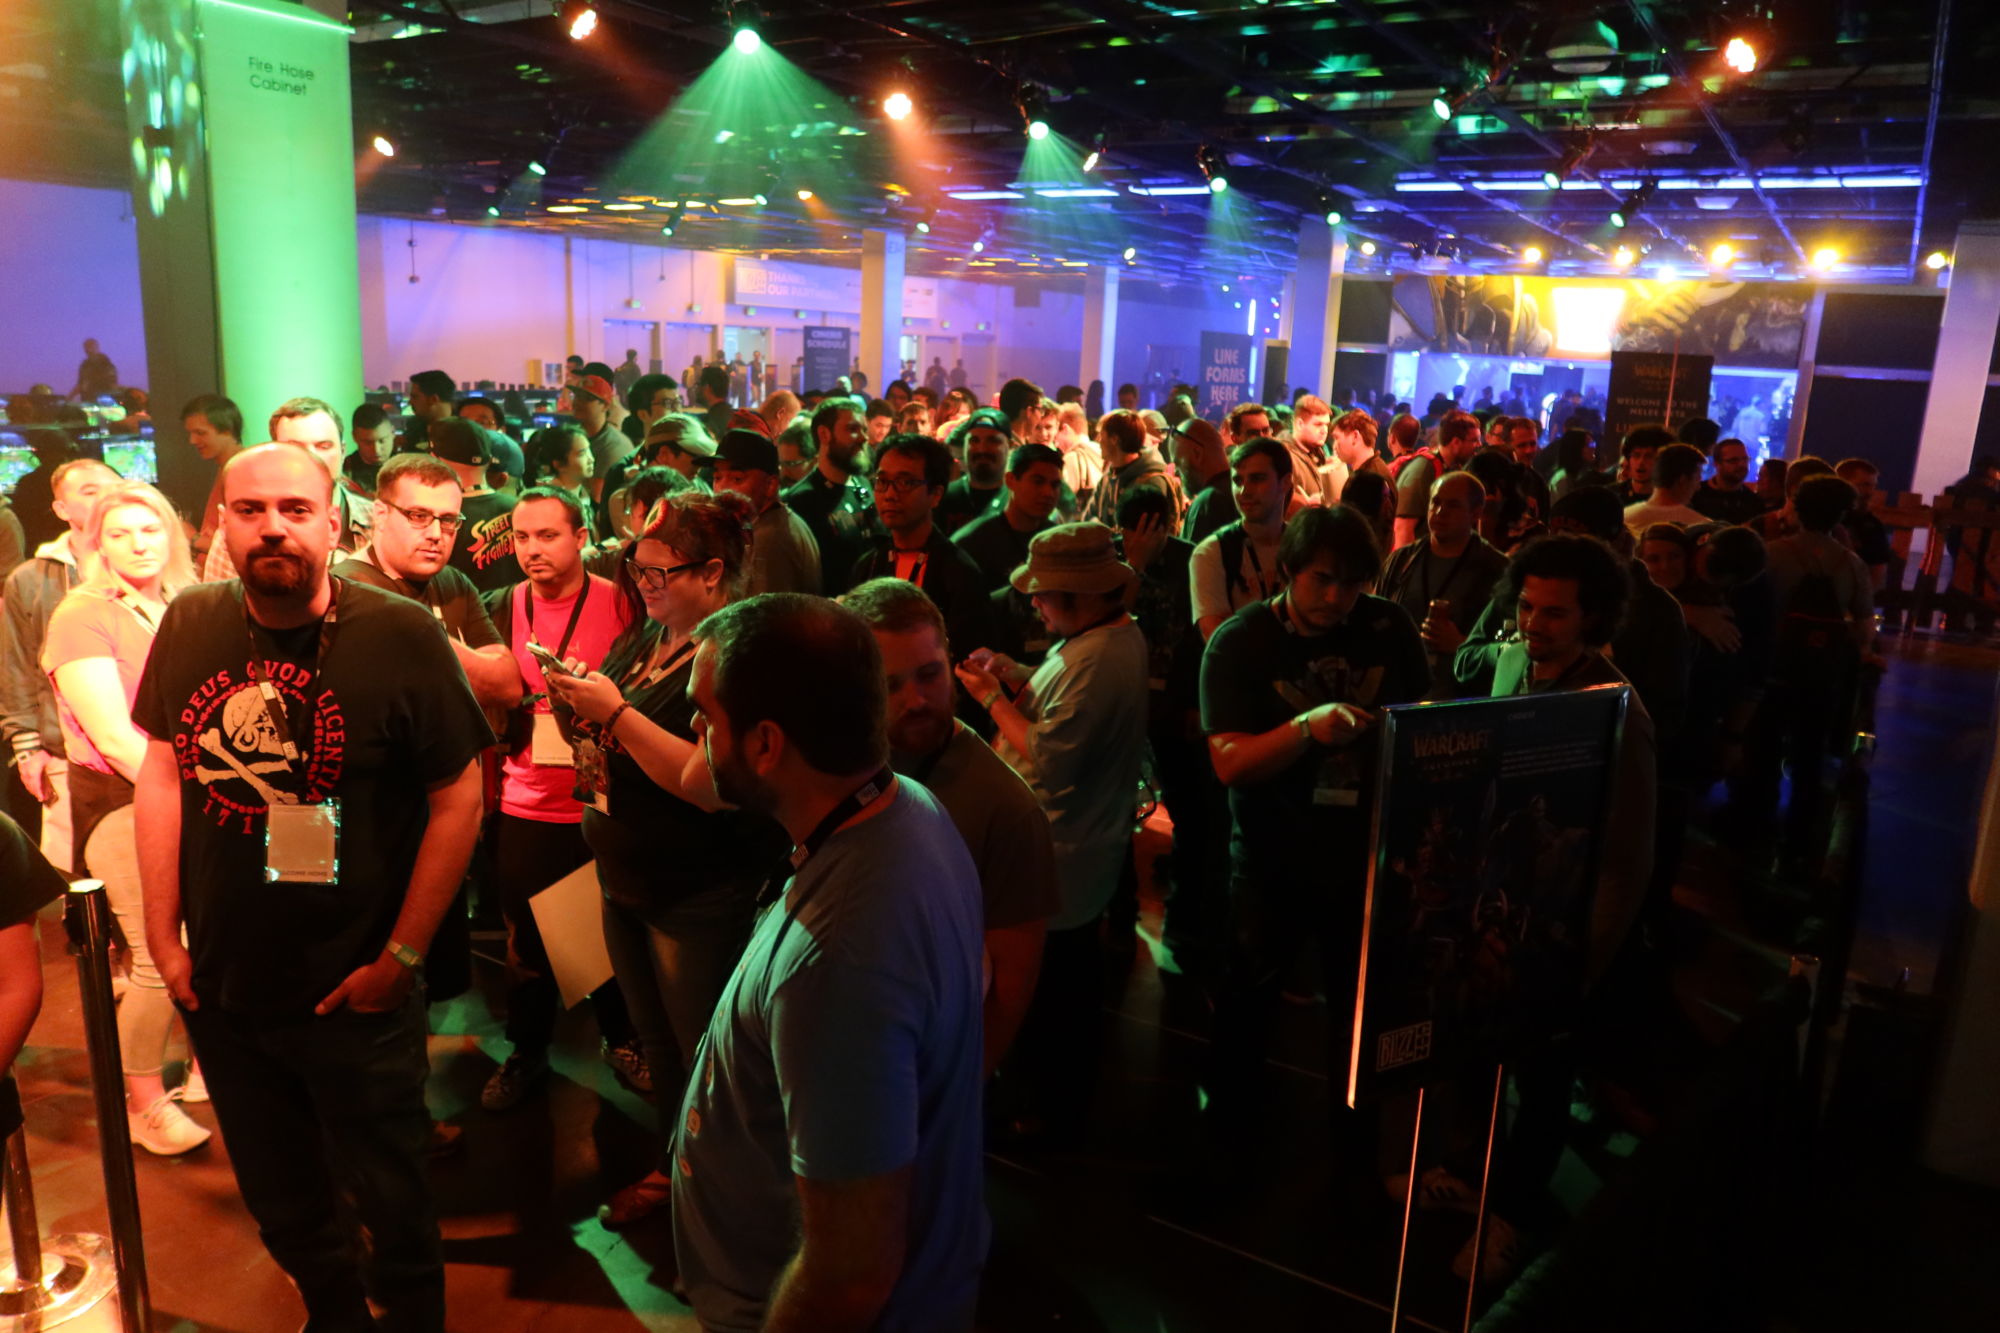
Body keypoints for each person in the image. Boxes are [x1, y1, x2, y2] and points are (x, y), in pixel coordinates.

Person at [132, 444, 490, 1333]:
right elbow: (164, 772)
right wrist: (164, 939)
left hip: (356, 990)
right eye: (250, 509)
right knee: (284, 1202)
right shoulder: (192, 620)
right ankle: (334, 1317)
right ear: (220, 522)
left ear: (336, 523)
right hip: (227, 987)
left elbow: (459, 796)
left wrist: (401, 956)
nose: (273, 528)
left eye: (295, 509)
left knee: (394, 1207)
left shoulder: (401, 633)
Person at [664, 593, 985, 1330]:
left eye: (705, 715)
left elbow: (850, 1274)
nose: (695, 732)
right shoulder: (906, 804)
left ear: (766, 744)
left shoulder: (836, 960)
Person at [537, 492, 790, 1228]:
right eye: (636, 568)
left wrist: (615, 711)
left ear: (712, 572)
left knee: (708, 1053)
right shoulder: (649, 636)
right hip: (627, 880)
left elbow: (709, 786)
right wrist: (577, 702)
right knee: (660, 1046)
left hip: (694, 890)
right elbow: (610, 744)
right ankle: (677, 1170)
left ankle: (721, 1203)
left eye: (660, 572)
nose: (643, 583)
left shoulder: (736, 653)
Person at [1199, 506, 1429, 1150]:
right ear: (1289, 570)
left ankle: (1353, 1140)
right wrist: (1306, 727)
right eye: (1323, 579)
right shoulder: (1241, 640)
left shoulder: (1388, 625)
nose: (1336, 599)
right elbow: (1229, 763)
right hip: (1273, 854)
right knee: (1248, 1002)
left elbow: (1423, 721)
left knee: (1358, 1010)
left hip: (1365, 854)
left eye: (1352, 583)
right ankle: (1228, 1133)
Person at [1467, 532, 1657, 1282]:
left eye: (1554, 613)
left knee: (1544, 1080)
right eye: (1526, 607)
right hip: (1501, 910)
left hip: (1563, 932)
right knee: (1493, 1060)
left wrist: (1584, 962)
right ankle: (1482, 1181)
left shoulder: (1617, 709)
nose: (1533, 625)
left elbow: (1628, 860)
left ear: (1593, 617)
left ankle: (1512, 1217)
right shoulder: (1515, 663)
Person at [955, 524, 1149, 1143]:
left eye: (1043, 592)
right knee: (1065, 983)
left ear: (1081, 593)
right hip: (1074, 849)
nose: (1034, 602)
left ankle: (1048, 1111)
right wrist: (1017, 672)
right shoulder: (1105, 636)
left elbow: (1049, 758)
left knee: (1056, 994)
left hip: (1065, 853)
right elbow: (1063, 697)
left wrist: (991, 698)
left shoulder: (1100, 657)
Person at [42, 481, 207, 1154]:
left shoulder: (179, 602)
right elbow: (113, 737)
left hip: (187, 795)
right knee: (155, 959)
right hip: (122, 802)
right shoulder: (83, 614)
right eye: (120, 533)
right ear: (96, 543)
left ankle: (204, 1070)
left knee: (204, 946)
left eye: (150, 528)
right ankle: (144, 1103)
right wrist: (200, 798)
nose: (139, 543)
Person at [841, 578, 1057, 1077]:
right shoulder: (841, 762)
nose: (917, 699)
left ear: (951, 662)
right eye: (891, 684)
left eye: (929, 674)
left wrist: (957, 1090)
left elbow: (1008, 991)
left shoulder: (1006, 810)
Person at [331, 451, 520, 707]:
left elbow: (508, 688)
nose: (435, 534)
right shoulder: (346, 591)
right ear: (381, 514)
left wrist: (425, 635)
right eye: (419, 516)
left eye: (448, 520)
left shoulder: (454, 582)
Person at [1752, 475, 1877, 858]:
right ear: (1840, 515)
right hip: (1821, 675)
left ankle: (1755, 825)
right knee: (1811, 754)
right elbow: (1864, 623)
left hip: (1772, 669)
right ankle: (1801, 834)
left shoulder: (1770, 554)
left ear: (1798, 509)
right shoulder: (1851, 563)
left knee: (1763, 748)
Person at [3, 459, 118, 868]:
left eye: (112, 487)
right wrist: (27, 748)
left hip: (138, 750)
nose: (105, 497)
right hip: (63, 755)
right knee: (77, 878)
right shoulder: (30, 579)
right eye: (89, 491)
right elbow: (16, 667)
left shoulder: (143, 566)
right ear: (61, 509)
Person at [847, 434, 993, 654]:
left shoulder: (959, 573)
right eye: (882, 482)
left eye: (905, 482)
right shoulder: (868, 566)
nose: (890, 494)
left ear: (935, 494)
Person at [1378, 471, 1509, 693]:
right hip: (1402, 692)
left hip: (1463, 696)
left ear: (1476, 512)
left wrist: (1462, 645)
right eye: (1435, 502)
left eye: (1453, 505)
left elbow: (1511, 649)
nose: (1440, 512)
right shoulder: (1401, 561)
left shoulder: (1497, 569)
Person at [1192, 438, 1295, 639]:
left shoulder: (1304, 546)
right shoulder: (1212, 552)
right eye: (1238, 481)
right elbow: (1217, 638)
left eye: (1257, 479)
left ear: (1285, 482)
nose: (1244, 491)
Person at [711, 429, 822, 596]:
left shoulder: (769, 538)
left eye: (737, 479)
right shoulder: (773, 523)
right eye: (717, 478)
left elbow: (763, 611)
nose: (722, 488)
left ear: (770, 485)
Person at [782, 399, 874, 593]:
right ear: (824, 434)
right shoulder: (800, 501)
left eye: (864, 430)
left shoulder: (866, 486)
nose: (863, 438)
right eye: (853, 429)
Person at [427, 420, 522, 595]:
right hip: (521, 610)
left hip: (465, 611)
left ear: (435, 459)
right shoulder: (520, 508)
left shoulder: (438, 519)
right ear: (488, 461)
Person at [953, 442, 1063, 593]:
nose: (1048, 493)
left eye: (1055, 485)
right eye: (1038, 482)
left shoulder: (1059, 541)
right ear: (1011, 480)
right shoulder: (973, 543)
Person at [1394, 410, 1481, 550]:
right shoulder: (1423, 470)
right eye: (1474, 440)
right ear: (1456, 442)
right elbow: (1403, 528)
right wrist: (1408, 563)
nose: (1479, 445)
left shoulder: (1453, 467)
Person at [1080, 408, 1179, 528]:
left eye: (1102, 436)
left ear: (1114, 439)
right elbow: (1087, 520)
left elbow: (1147, 533)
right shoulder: (1108, 477)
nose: (1099, 442)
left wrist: (1103, 531)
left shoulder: (1152, 482)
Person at [183, 393, 244, 563]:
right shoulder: (225, 467)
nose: (192, 440)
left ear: (227, 430)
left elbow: (242, 549)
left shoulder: (243, 471)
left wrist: (193, 538)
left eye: (200, 433)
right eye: (190, 433)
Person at [937, 408, 1011, 535]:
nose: (982, 449)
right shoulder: (944, 498)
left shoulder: (1019, 500)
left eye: (993, 441)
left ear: (1010, 446)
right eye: (974, 440)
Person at [1172, 418, 1238, 545]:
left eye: (1178, 462)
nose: (1176, 472)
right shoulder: (1240, 490)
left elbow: (1192, 556)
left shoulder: (1207, 503)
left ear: (1197, 454)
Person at [524, 424, 597, 538]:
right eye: (582, 454)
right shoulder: (548, 504)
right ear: (559, 464)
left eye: (589, 450)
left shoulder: (584, 497)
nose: (591, 459)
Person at [568, 374, 631, 506]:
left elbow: (597, 497)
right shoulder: (573, 436)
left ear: (605, 406)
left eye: (587, 398)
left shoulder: (613, 444)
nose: (578, 402)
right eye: (577, 396)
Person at [1835, 457, 1894, 590]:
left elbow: (1877, 573)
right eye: (1864, 485)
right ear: (1842, 483)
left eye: (1873, 486)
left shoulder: (1872, 526)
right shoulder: (1822, 516)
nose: (1870, 492)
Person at [1623, 442, 1709, 531]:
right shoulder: (1701, 526)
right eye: (1697, 477)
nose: (1698, 486)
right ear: (1682, 480)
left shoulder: (1625, 518)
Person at [1691, 436, 1765, 526]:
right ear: (1717, 464)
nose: (1741, 464)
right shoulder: (1696, 495)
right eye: (1734, 460)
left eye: (1745, 459)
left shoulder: (1754, 502)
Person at [1286, 395, 1333, 506]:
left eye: (1326, 425)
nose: (1324, 430)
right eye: (1318, 424)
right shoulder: (1284, 456)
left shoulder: (1317, 452)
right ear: (1300, 424)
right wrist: (1305, 504)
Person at [345, 403, 393, 497]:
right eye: (368, 443)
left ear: (393, 432)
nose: (376, 450)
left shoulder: (408, 467)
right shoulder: (344, 472)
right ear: (355, 437)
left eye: (382, 441)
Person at [403, 370, 456, 453]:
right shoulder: (414, 427)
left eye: (415, 397)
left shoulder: (463, 431)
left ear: (433, 399)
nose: (410, 402)